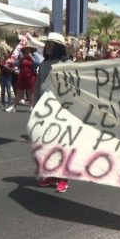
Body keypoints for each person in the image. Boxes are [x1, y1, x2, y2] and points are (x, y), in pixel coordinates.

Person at [34, 32, 69, 193]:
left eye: (50, 44)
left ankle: (63, 179)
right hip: (43, 112)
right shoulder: (43, 64)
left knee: (60, 145)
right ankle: (50, 174)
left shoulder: (66, 64)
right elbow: (37, 86)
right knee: (46, 145)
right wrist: (34, 107)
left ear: (58, 47)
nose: (47, 46)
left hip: (60, 112)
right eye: (46, 44)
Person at [6, 43, 40, 113]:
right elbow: (17, 64)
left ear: (31, 50)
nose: (27, 50)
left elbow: (37, 63)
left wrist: (31, 57)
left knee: (30, 92)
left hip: (31, 76)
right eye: (26, 49)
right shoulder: (21, 56)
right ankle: (13, 106)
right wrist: (11, 62)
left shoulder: (35, 56)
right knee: (19, 92)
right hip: (22, 75)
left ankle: (31, 107)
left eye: (29, 49)